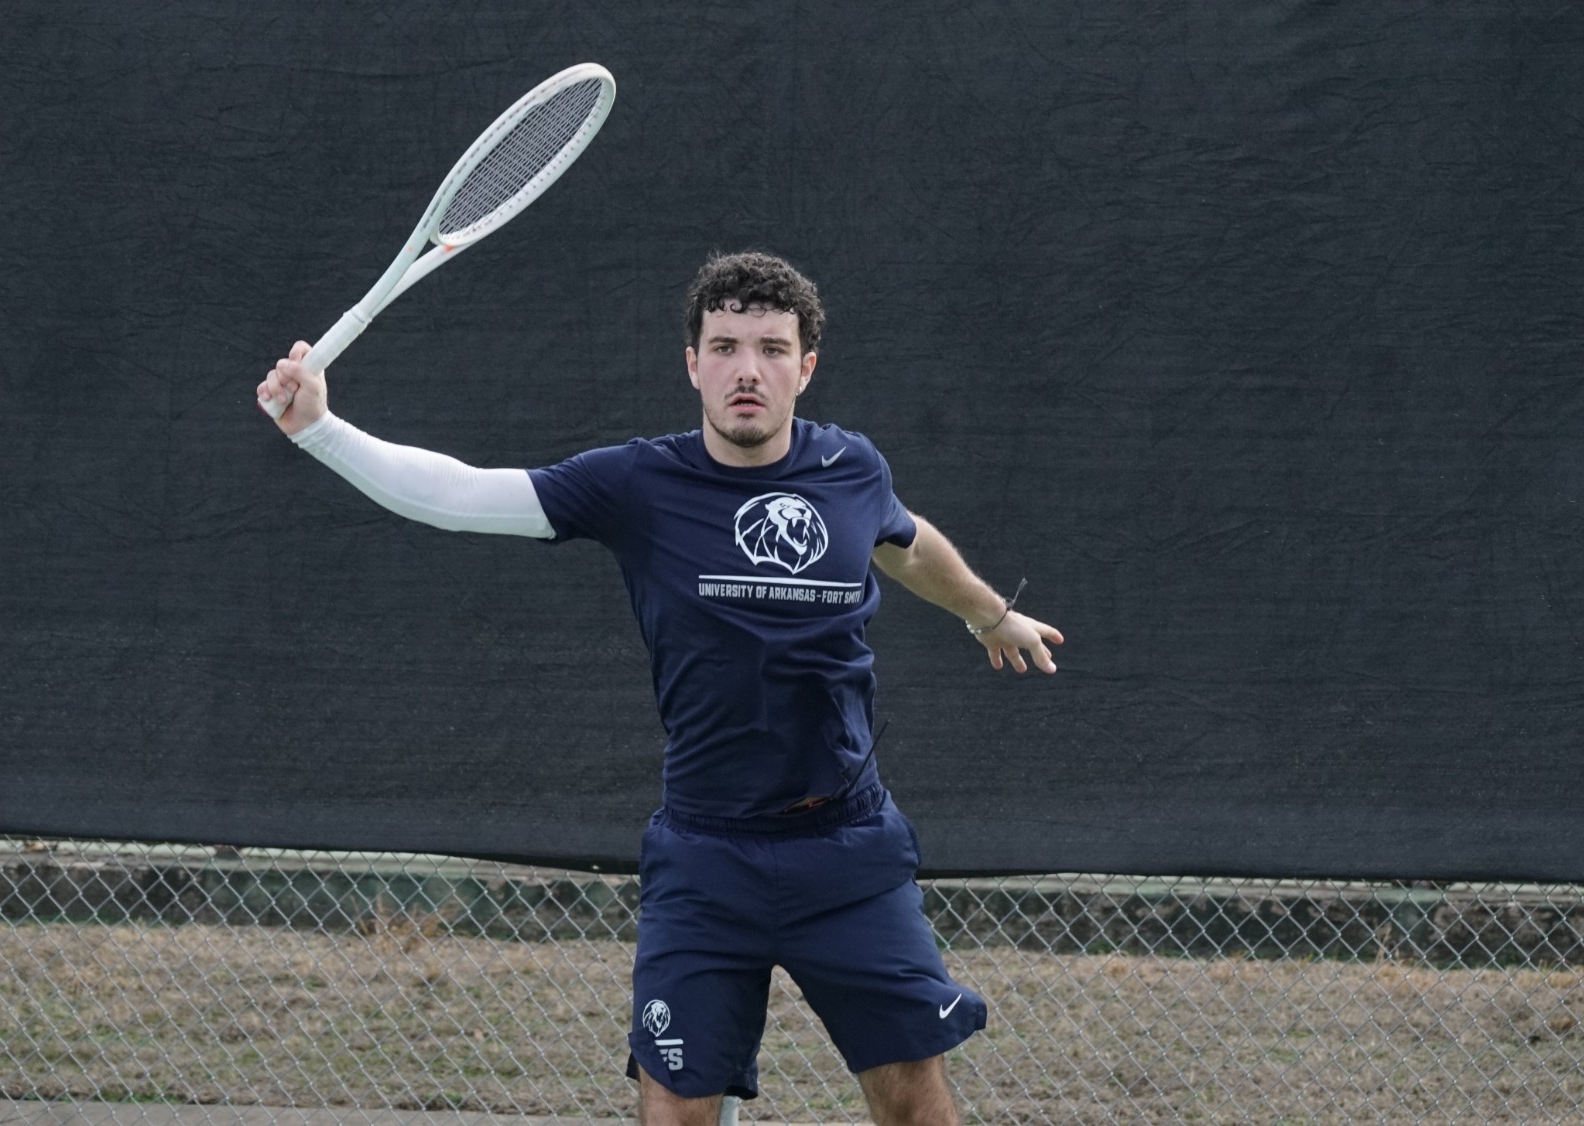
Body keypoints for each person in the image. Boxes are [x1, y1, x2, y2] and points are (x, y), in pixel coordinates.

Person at [257, 251, 1062, 1126]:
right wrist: (321, 430)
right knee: (675, 1109)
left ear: (806, 367)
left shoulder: (852, 471)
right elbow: (460, 496)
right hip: (706, 857)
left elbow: (906, 543)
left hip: (849, 851)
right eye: (723, 346)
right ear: (692, 364)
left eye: (770, 348)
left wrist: (988, 615)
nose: (746, 369)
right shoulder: (637, 484)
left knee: (912, 1099)